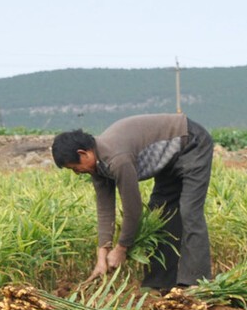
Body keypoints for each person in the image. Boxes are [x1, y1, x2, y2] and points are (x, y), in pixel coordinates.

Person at [51, 113, 214, 291]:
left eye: (75, 168)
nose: (77, 173)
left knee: (190, 212)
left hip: (190, 142)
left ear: (83, 154)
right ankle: (159, 283)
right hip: (168, 160)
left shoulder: (117, 159)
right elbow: (105, 209)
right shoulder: (97, 165)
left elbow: (132, 209)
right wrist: (102, 254)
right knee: (159, 214)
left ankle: (197, 282)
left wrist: (122, 248)